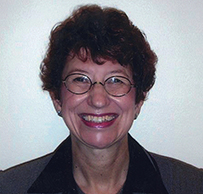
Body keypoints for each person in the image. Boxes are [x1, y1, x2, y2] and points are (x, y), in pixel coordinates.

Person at [0, 4, 202, 194]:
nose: (98, 100)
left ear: (138, 100)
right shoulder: (10, 187)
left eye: (115, 80)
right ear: (57, 99)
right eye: (80, 79)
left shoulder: (191, 185)